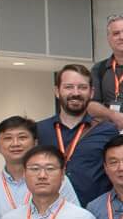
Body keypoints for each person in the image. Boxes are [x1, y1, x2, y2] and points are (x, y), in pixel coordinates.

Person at [0, 116, 81, 219]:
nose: (15, 143)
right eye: (8, 138)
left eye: (22, 137)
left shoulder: (57, 180)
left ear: (35, 143)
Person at [38, 65, 117, 203]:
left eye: (82, 87)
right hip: (50, 213)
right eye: (69, 87)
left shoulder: (108, 131)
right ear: (57, 91)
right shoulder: (40, 130)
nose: (76, 93)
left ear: (91, 93)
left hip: (94, 213)